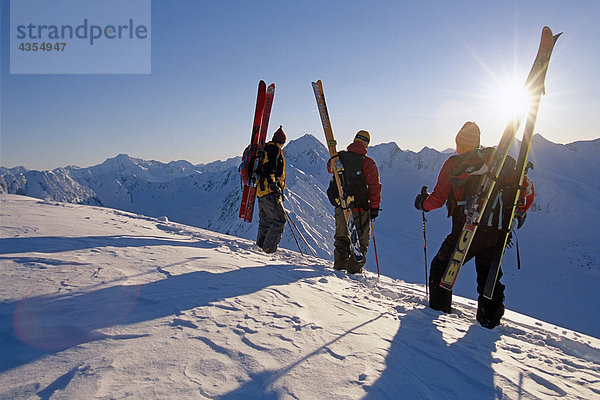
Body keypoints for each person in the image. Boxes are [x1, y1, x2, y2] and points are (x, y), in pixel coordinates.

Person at [414, 121, 534, 329]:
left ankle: (436, 317)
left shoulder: (454, 163)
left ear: (458, 141)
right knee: (489, 278)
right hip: (496, 232)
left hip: (466, 230)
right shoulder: (496, 161)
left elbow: (439, 198)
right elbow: (523, 188)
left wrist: (422, 203)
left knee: (441, 268)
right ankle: (489, 324)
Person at [327, 130, 382, 274]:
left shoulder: (339, 157)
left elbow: (329, 168)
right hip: (360, 209)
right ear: (366, 144)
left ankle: (339, 267)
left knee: (341, 237)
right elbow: (375, 187)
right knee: (360, 241)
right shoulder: (368, 163)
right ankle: (353, 270)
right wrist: (374, 207)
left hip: (341, 206)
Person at [256, 126, 287, 253]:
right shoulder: (274, 150)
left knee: (266, 221)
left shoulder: (266, 150)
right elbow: (270, 169)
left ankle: (259, 247)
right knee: (279, 220)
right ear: (282, 141)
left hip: (261, 190)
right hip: (269, 191)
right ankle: (268, 249)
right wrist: (275, 187)